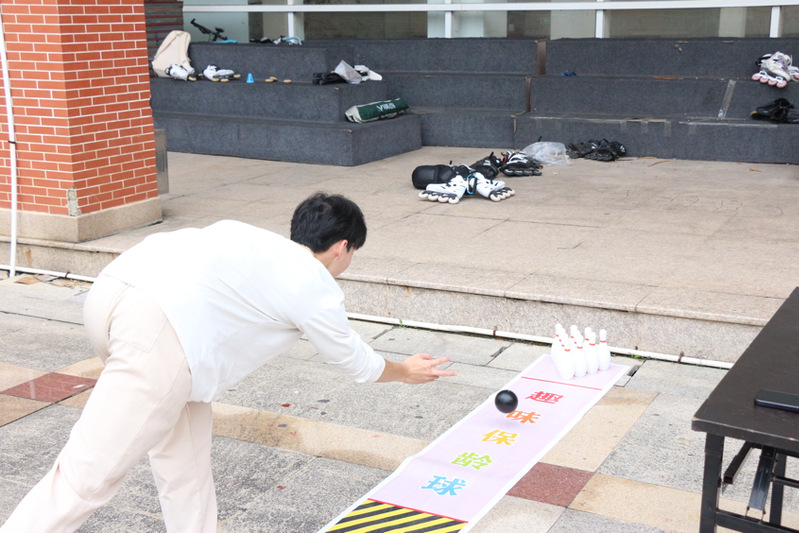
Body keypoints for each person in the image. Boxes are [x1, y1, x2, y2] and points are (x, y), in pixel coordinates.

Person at [0, 192, 456, 533]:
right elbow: (354, 360)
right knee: (88, 476)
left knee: (186, 466)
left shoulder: (246, 237)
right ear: (342, 247)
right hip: (162, 333)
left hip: (115, 291)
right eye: (352, 252)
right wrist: (405, 371)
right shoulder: (312, 281)